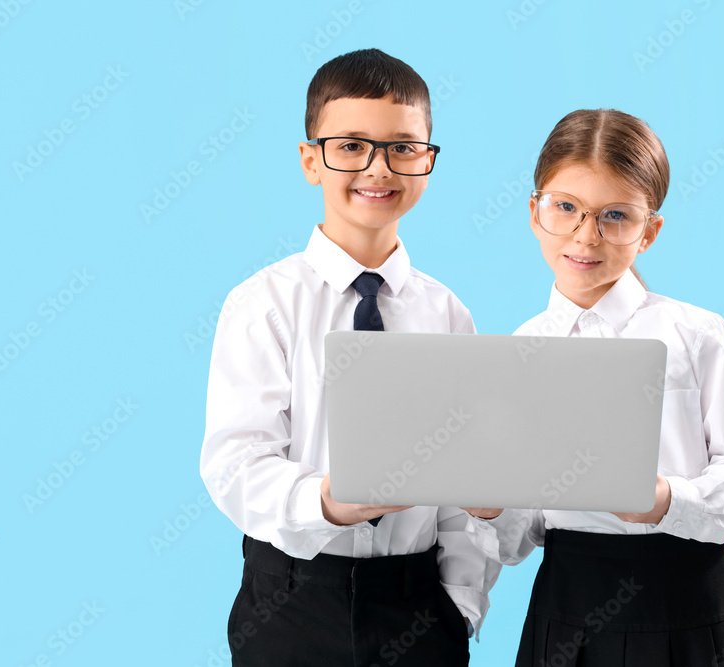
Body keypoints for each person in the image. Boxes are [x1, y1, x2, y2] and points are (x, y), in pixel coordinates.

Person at [200, 48, 499, 666]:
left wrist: (460, 604)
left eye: (402, 147)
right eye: (351, 145)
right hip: (291, 598)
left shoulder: (447, 315)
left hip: (417, 601)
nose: (377, 167)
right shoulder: (263, 305)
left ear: (427, 161)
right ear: (312, 160)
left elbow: (465, 484)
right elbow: (234, 463)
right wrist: (329, 503)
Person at [463, 109, 724, 666]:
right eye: (565, 207)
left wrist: (666, 500)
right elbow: (525, 533)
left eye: (615, 215)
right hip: (569, 608)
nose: (585, 236)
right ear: (535, 212)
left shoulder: (696, 335)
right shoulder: (521, 348)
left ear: (649, 231)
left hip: (688, 604)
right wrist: (490, 508)